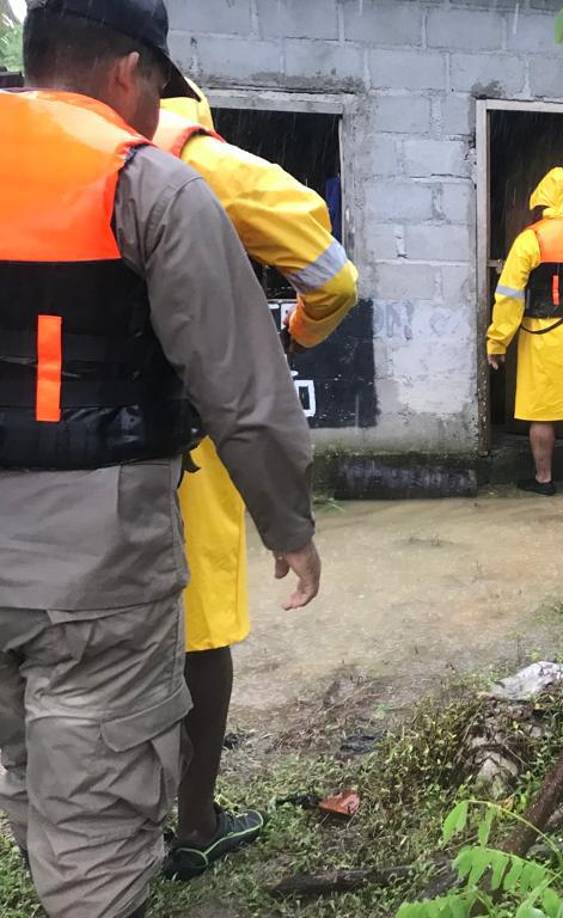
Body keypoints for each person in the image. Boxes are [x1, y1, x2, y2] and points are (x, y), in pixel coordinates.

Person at [0, 2, 321, 916]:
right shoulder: (149, 186)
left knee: (28, 759)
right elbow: (243, 389)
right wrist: (289, 525)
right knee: (99, 816)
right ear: (126, 73)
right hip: (96, 570)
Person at [151, 82, 359, 879]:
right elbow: (333, 277)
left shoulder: (34, 158)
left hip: (44, 450)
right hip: (175, 433)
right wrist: (294, 339)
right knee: (198, 627)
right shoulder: (197, 163)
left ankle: (94, 836)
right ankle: (195, 823)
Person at [486, 167, 563, 497]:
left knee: (542, 412)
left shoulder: (531, 239)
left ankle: (544, 480)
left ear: (539, 201)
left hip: (543, 336)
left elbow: (509, 296)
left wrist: (498, 341)